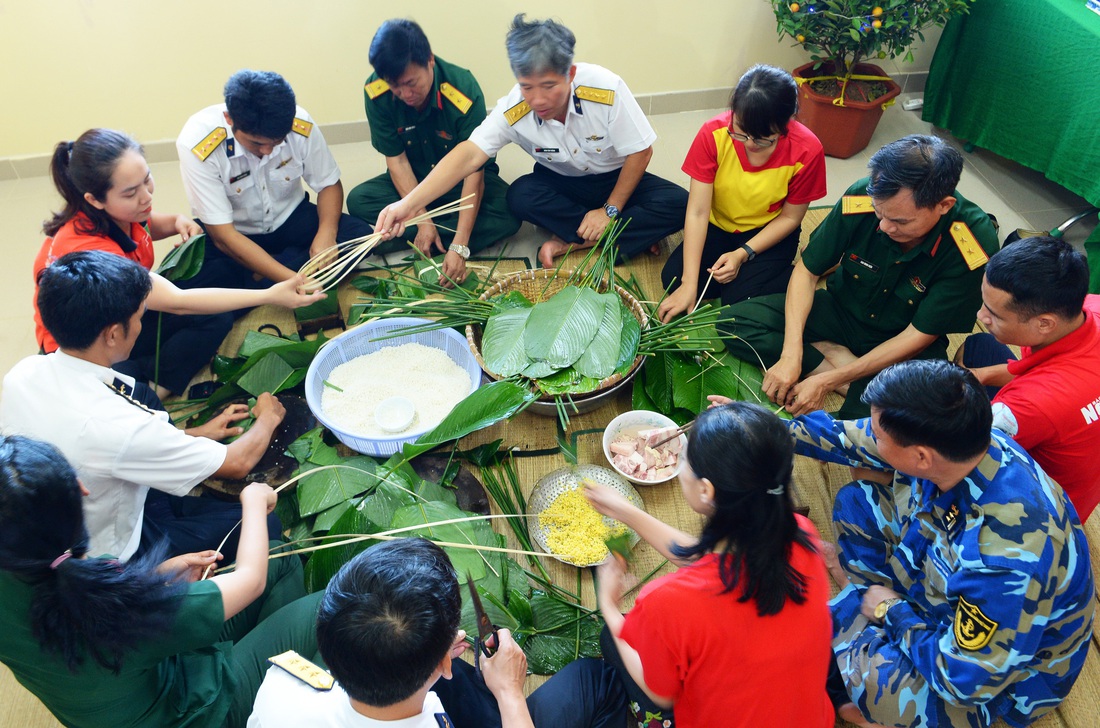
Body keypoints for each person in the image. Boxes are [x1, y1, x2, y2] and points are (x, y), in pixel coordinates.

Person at [780, 360, 1094, 727]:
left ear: (922, 457)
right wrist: (768, 430)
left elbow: (963, 681)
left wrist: (891, 611)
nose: (872, 437)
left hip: (995, 682)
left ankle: (864, 632)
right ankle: (866, 619)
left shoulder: (1005, 563)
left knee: (871, 676)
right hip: (944, 579)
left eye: (880, 436)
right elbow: (850, 437)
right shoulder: (969, 440)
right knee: (858, 503)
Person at [0, 434, 323, 728]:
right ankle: (278, 695)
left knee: (277, 560)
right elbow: (250, 580)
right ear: (82, 490)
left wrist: (156, 578)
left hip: (127, 698)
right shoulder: (120, 612)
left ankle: (271, 667)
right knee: (328, 608)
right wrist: (253, 502)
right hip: (195, 715)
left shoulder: (25, 577)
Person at [2, 251, 288, 562]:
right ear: (112, 334)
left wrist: (199, 433)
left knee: (143, 395)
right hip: (112, 547)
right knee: (264, 522)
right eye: (139, 317)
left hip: (86, 495)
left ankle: (178, 481)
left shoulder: (24, 372)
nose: (141, 326)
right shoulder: (116, 427)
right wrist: (267, 417)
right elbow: (237, 462)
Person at [586, 402, 833, 728]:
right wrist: (628, 512)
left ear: (706, 490)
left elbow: (660, 692)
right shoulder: (801, 533)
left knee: (613, 636)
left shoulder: (666, 601)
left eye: (686, 459)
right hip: (807, 718)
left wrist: (608, 604)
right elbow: (713, 562)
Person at [721, 134, 999, 419]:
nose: (884, 226)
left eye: (900, 221)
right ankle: (857, 378)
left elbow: (920, 334)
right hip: (841, 311)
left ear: (944, 205)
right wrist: (791, 353)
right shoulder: (862, 197)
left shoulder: (972, 243)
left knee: (920, 417)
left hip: (903, 339)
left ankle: (848, 377)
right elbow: (807, 270)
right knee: (734, 322)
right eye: (880, 213)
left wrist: (826, 380)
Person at [376, 14, 688, 267]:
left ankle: (578, 243)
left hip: (615, 178)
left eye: (549, 85)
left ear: (570, 73)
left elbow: (641, 153)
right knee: (521, 196)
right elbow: (469, 155)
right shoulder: (515, 108)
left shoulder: (606, 90)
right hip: (564, 183)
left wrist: (609, 210)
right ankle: (628, 236)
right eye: (526, 87)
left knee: (679, 204)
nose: (537, 99)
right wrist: (407, 205)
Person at [35, 128, 324, 399]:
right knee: (213, 317)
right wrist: (269, 295)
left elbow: (154, 224)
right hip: (91, 344)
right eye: (130, 193)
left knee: (219, 271)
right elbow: (178, 302)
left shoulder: (117, 213)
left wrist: (178, 222)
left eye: (146, 179)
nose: (146, 196)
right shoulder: (91, 248)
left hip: (125, 310)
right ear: (94, 200)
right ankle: (154, 387)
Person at [248, 537, 627, 727]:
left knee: (465, 682)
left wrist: (440, 658)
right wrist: (511, 693)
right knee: (595, 681)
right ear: (443, 660)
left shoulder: (279, 686)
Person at [347, 19, 521, 286]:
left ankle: (427, 238)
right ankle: (431, 232)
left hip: (459, 183)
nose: (404, 94)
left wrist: (460, 245)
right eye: (395, 86)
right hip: (413, 184)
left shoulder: (462, 89)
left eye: (410, 82)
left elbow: (473, 171)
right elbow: (397, 162)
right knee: (359, 200)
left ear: (428, 60)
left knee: (510, 210)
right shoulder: (376, 92)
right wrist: (423, 219)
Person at [657, 65, 826, 323]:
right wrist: (689, 283)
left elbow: (791, 218)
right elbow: (698, 211)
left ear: (786, 125)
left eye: (762, 139)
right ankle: (752, 278)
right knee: (674, 278)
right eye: (740, 132)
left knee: (740, 301)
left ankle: (803, 273)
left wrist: (743, 253)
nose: (749, 144)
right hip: (719, 224)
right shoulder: (713, 134)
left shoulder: (808, 150)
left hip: (769, 232)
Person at [176, 69, 373, 290]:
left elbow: (328, 184)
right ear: (229, 118)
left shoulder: (299, 124)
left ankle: (256, 278)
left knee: (360, 236)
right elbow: (224, 236)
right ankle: (275, 272)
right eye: (256, 143)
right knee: (188, 282)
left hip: (289, 218)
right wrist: (296, 281)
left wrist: (326, 234)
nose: (268, 151)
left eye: (277, 141)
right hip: (235, 234)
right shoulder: (198, 142)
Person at [954, 236, 1100, 523]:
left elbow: (949, 453)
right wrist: (981, 376)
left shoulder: (1026, 405)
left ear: (1044, 323)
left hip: (1040, 513)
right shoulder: (1090, 306)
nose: (980, 315)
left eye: (995, 314)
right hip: (1083, 472)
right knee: (979, 347)